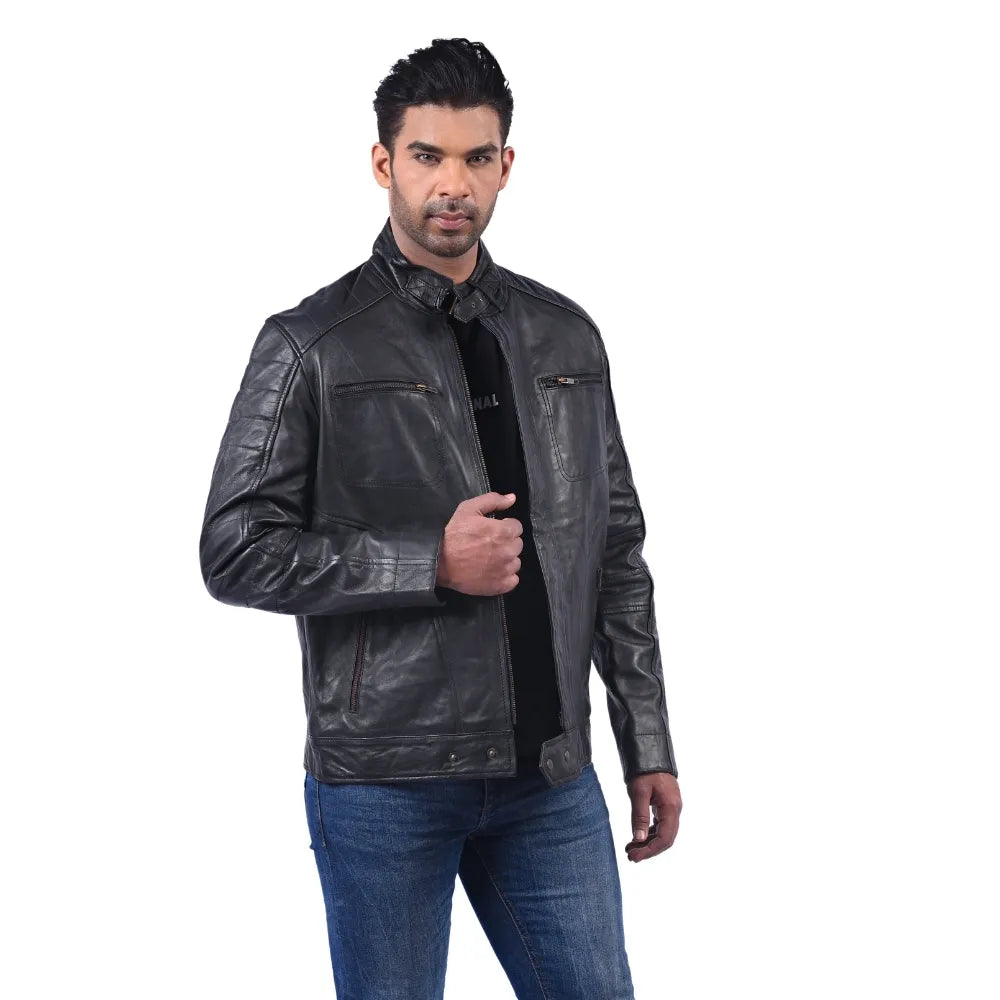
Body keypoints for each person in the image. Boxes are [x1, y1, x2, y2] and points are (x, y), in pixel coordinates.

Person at [199, 36, 682, 1000]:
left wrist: (649, 744)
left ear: (507, 165)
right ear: (384, 164)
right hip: (386, 783)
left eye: (476, 157)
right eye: (427, 156)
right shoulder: (310, 344)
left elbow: (617, 554)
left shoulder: (565, 334)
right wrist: (426, 561)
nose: (452, 184)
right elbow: (234, 549)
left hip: (551, 780)